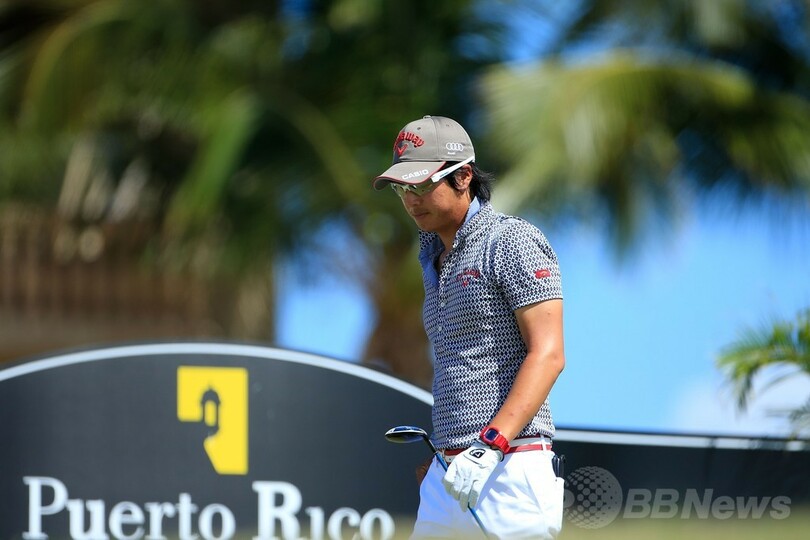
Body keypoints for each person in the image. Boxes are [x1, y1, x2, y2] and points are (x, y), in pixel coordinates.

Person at [373, 116, 566, 539]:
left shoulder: (510, 240)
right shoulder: (431, 256)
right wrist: (449, 451)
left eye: (421, 185)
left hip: (511, 465)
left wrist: (489, 444)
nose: (411, 200)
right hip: (450, 471)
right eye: (403, 189)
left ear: (463, 177)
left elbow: (549, 354)